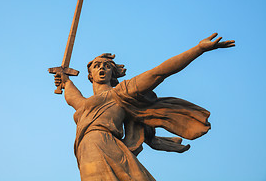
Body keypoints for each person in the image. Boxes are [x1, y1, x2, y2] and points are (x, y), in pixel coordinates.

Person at [54, 33, 235, 181]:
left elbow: (160, 72)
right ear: (90, 74)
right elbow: (71, 96)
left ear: (113, 72)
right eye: (96, 65)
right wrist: (64, 78)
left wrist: (198, 49)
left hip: (106, 145)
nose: (101, 68)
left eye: (106, 66)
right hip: (85, 149)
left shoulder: (121, 93)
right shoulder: (84, 105)